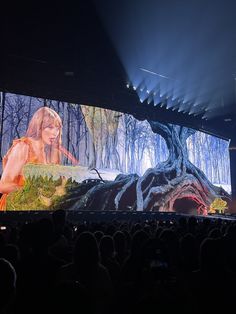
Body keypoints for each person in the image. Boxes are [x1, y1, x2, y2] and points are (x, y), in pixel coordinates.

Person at [0, 106, 78, 211]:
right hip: (15, 209)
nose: (55, 133)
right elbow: (3, 185)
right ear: (38, 127)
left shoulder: (50, 151)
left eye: (58, 128)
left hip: (39, 210)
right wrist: (33, 192)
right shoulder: (23, 147)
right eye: (50, 127)